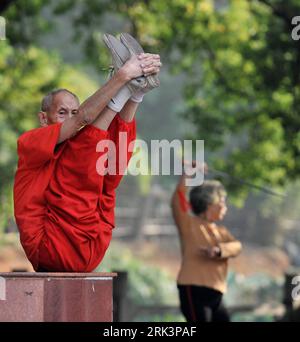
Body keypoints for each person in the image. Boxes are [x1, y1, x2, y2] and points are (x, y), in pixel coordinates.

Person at [14, 39, 162, 272]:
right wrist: (121, 77)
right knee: (85, 148)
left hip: (93, 246)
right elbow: (83, 120)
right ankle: (127, 91)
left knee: (108, 162)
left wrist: (132, 90)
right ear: (44, 119)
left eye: (73, 111)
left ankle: (136, 94)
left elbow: (108, 180)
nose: (71, 118)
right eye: (63, 113)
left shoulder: (80, 150)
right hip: (50, 248)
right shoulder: (30, 143)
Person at [171, 161, 242, 322]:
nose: (225, 207)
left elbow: (237, 247)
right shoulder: (188, 224)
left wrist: (218, 251)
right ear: (210, 203)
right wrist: (188, 173)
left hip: (216, 294)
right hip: (193, 290)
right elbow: (179, 198)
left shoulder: (221, 232)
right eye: (222, 202)